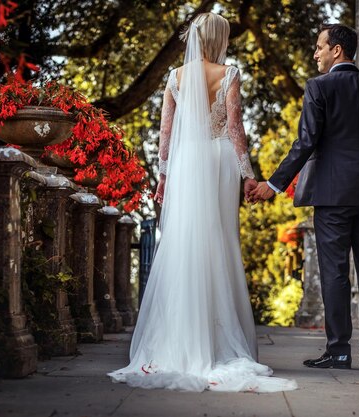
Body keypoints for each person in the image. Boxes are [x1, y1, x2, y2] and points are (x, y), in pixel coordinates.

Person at [107, 12, 297, 392]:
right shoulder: (228, 73)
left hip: (186, 162)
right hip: (220, 160)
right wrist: (247, 174)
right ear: (219, 38)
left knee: (183, 241)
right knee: (219, 240)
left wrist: (164, 175)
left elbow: (165, 132)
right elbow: (234, 126)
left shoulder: (175, 77)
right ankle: (218, 340)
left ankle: (179, 339)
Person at [249, 24, 359, 369]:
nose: (315, 53)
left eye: (319, 47)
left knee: (334, 271)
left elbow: (306, 142)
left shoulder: (319, 87)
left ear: (337, 50)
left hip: (332, 196)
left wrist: (272, 185)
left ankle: (339, 349)